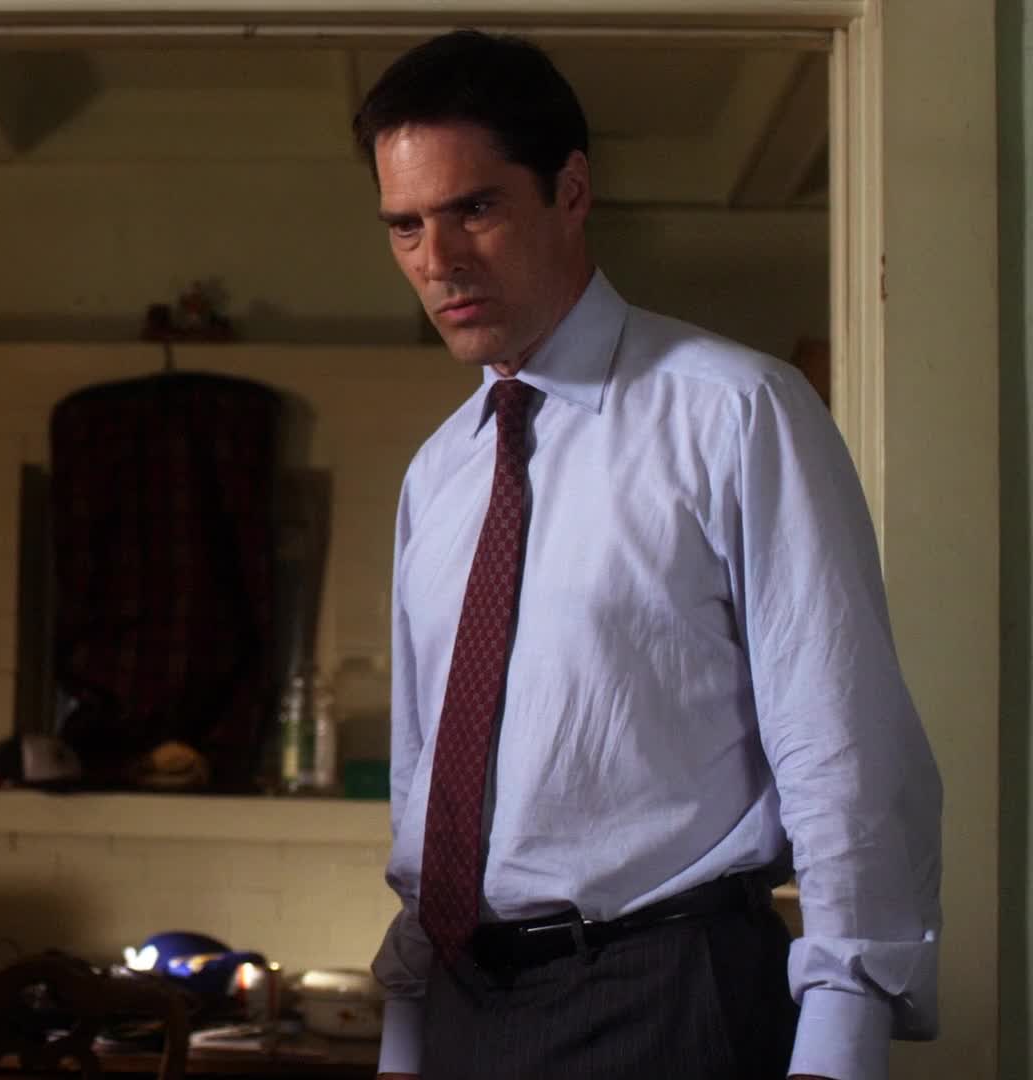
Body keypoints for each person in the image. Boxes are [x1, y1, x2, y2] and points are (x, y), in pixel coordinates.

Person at [357, 31, 941, 1080]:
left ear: (572, 191)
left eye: (474, 208)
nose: (436, 261)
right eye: (406, 226)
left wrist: (842, 1045)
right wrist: (406, 1036)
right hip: (460, 1004)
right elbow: (424, 778)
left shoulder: (737, 412)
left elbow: (842, 746)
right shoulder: (439, 475)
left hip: (667, 997)